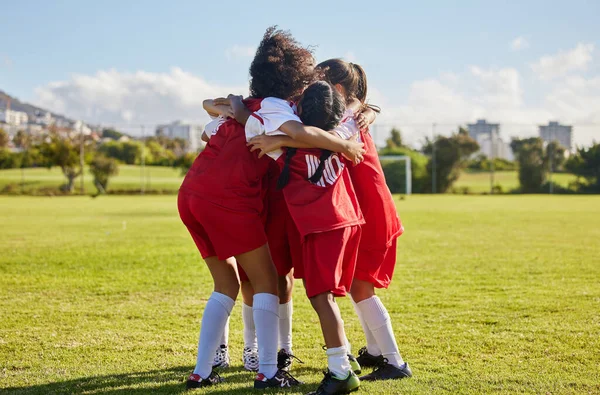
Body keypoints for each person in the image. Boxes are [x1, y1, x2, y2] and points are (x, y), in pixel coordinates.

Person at [179, 27, 365, 391]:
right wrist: (344, 144)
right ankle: (268, 369)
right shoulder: (281, 112)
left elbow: (209, 123)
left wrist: (236, 110)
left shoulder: (252, 110)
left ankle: (204, 369)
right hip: (233, 201)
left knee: (228, 284)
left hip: (193, 195)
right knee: (268, 283)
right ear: (296, 80)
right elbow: (302, 132)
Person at [247, 59, 412, 383]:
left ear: (335, 90)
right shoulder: (352, 116)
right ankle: (378, 352)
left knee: (359, 288)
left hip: (365, 212)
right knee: (355, 286)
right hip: (355, 212)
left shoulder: (345, 121)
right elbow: (325, 135)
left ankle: (392, 360)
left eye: (314, 82)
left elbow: (318, 138)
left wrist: (279, 139)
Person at [229, 81, 364, 395]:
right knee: (324, 297)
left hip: (322, 227)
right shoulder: (342, 135)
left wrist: (239, 106)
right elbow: (345, 125)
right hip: (345, 221)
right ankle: (343, 359)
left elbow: (245, 121)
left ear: (300, 111)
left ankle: (341, 371)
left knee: (321, 299)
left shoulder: (283, 149)